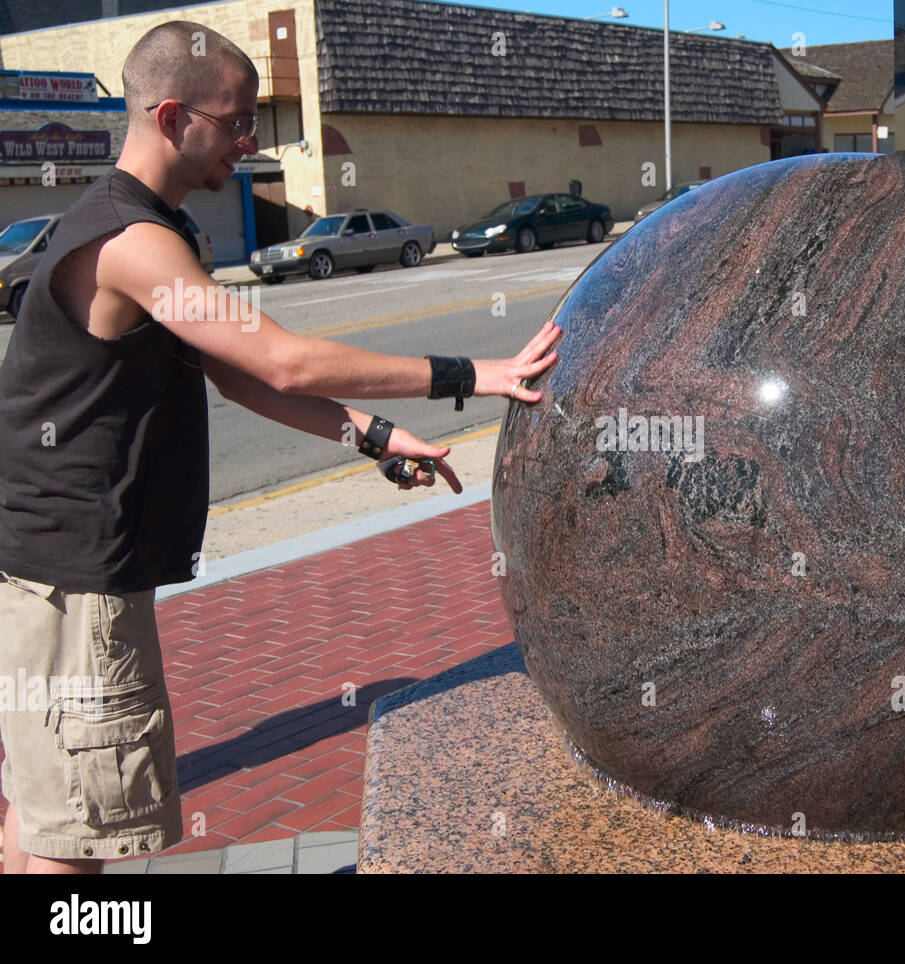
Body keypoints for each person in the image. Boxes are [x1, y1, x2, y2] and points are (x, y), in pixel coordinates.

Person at [0, 20, 559, 874]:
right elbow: (282, 358)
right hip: (74, 588)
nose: (252, 140)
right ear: (170, 118)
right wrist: (473, 372)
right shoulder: (130, 242)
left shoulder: (153, 232)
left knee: (44, 814)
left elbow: (236, 377)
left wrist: (367, 434)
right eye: (237, 121)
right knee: (78, 843)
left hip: (54, 572)